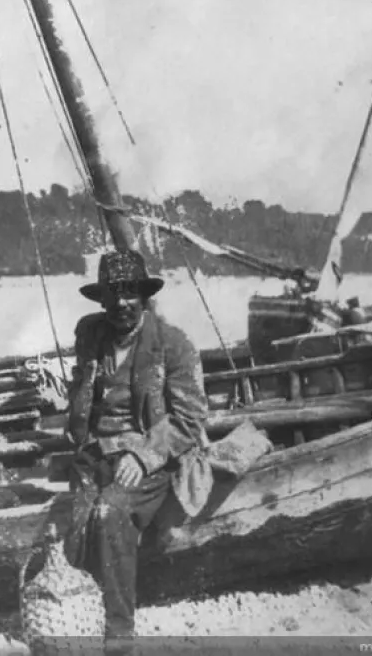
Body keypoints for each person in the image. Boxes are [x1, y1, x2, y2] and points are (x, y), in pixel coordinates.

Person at [63, 250, 268, 642]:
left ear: (143, 296)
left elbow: (190, 420)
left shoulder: (173, 344)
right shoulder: (90, 335)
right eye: (113, 293)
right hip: (96, 454)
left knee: (109, 513)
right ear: (102, 298)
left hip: (153, 456)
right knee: (74, 529)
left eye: (129, 293)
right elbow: (81, 398)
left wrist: (144, 457)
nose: (121, 302)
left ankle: (119, 636)